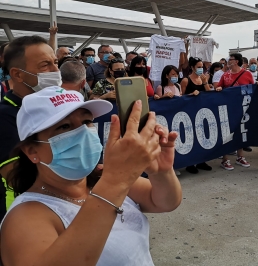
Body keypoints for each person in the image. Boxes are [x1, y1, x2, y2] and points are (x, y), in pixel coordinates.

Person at [1, 86, 181, 265]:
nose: (83, 133)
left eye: (87, 121)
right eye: (64, 126)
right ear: (32, 150)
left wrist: (161, 172)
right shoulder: (25, 216)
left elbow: (165, 202)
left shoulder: (102, 178)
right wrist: (115, 181)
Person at [0, 36, 61, 221]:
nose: (56, 70)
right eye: (45, 65)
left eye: (55, 62)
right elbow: (16, 177)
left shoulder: (59, 108)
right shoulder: (5, 117)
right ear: (18, 74)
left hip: (60, 209)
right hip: (24, 216)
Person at [217, 53, 254, 170]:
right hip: (227, 108)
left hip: (242, 107)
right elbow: (219, 87)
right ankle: (225, 158)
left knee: (240, 131)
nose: (228, 61)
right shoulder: (225, 75)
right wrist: (219, 88)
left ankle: (240, 156)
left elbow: (252, 89)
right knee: (226, 132)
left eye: (231, 59)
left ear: (236, 61)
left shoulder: (247, 74)